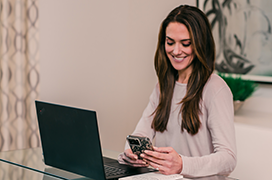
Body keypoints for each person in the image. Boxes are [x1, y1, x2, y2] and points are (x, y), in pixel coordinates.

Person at [118, 5, 237, 178]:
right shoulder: (163, 87)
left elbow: (228, 159)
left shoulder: (215, 88)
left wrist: (182, 164)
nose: (175, 51)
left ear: (200, 44)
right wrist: (132, 152)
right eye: (170, 42)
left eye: (186, 43)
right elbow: (141, 133)